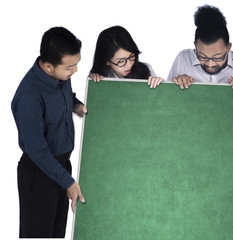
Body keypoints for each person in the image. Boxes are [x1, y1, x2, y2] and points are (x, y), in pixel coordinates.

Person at [11, 27, 86, 238]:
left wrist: (76, 105)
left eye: (77, 64)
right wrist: (68, 182)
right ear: (48, 66)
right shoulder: (29, 97)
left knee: (56, 233)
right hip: (39, 172)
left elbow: (64, 96)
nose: (76, 71)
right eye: (70, 67)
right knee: (38, 234)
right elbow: (37, 150)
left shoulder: (60, 76)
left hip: (62, 166)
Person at [167, 4, 233, 91]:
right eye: (202, 57)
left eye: (217, 57)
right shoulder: (182, 59)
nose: (210, 64)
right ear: (195, 47)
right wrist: (174, 85)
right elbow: (166, 101)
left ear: (228, 48)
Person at [89, 25, 164, 88]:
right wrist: (93, 83)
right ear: (107, 61)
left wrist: (160, 86)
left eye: (131, 57)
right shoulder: (100, 78)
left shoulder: (146, 69)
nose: (128, 65)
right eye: (121, 61)